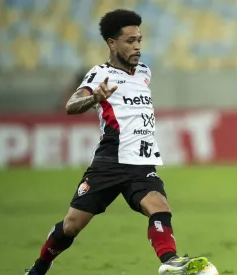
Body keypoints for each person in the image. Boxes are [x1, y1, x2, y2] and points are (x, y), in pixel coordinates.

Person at [25, 9, 209, 275]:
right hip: (109, 161)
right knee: (71, 226)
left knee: (159, 206)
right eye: (130, 41)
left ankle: (170, 262)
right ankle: (39, 268)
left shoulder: (144, 72)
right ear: (112, 43)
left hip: (140, 160)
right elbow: (71, 105)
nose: (137, 47)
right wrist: (95, 98)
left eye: (140, 40)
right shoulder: (100, 74)